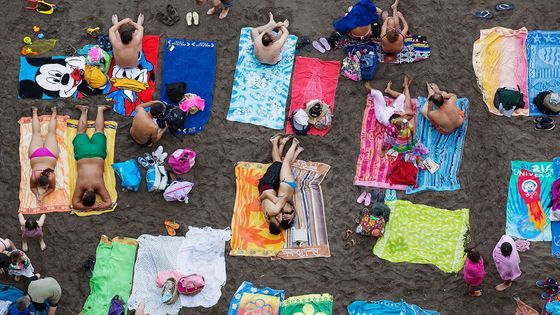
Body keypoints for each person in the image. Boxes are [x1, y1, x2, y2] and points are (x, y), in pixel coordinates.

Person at [71, 105, 113, 212]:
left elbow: (108, 202)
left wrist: (93, 206)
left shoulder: (99, 186)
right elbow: (75, 204)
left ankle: (100, 110)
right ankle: (84, 111)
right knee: (81, 132)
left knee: (99, 130)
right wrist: (90, 207)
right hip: (83, 154)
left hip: (97, 153)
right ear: (84, 194)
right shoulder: (81, 186)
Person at [258, 135, 302, 235]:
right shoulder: (268, 216)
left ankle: (276, 142)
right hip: (276, 184)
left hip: (269, 184)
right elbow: (284, 199)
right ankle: (287, 143)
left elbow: (270, 195)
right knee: (281, 164)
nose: (280, 218)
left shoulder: (275, 211)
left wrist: (261, 199)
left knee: (279, 163)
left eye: (278, 220)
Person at [29, 106, 59, 204]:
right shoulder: (47, 177)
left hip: (47, 155)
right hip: (36, 155)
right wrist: (40, 195)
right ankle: (36, 111)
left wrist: (39, 195)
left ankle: (50, 111)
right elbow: (51, 188)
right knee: (39, 133)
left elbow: (33, 187)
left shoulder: (47, 176)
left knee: (49, 134)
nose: (46, 188)